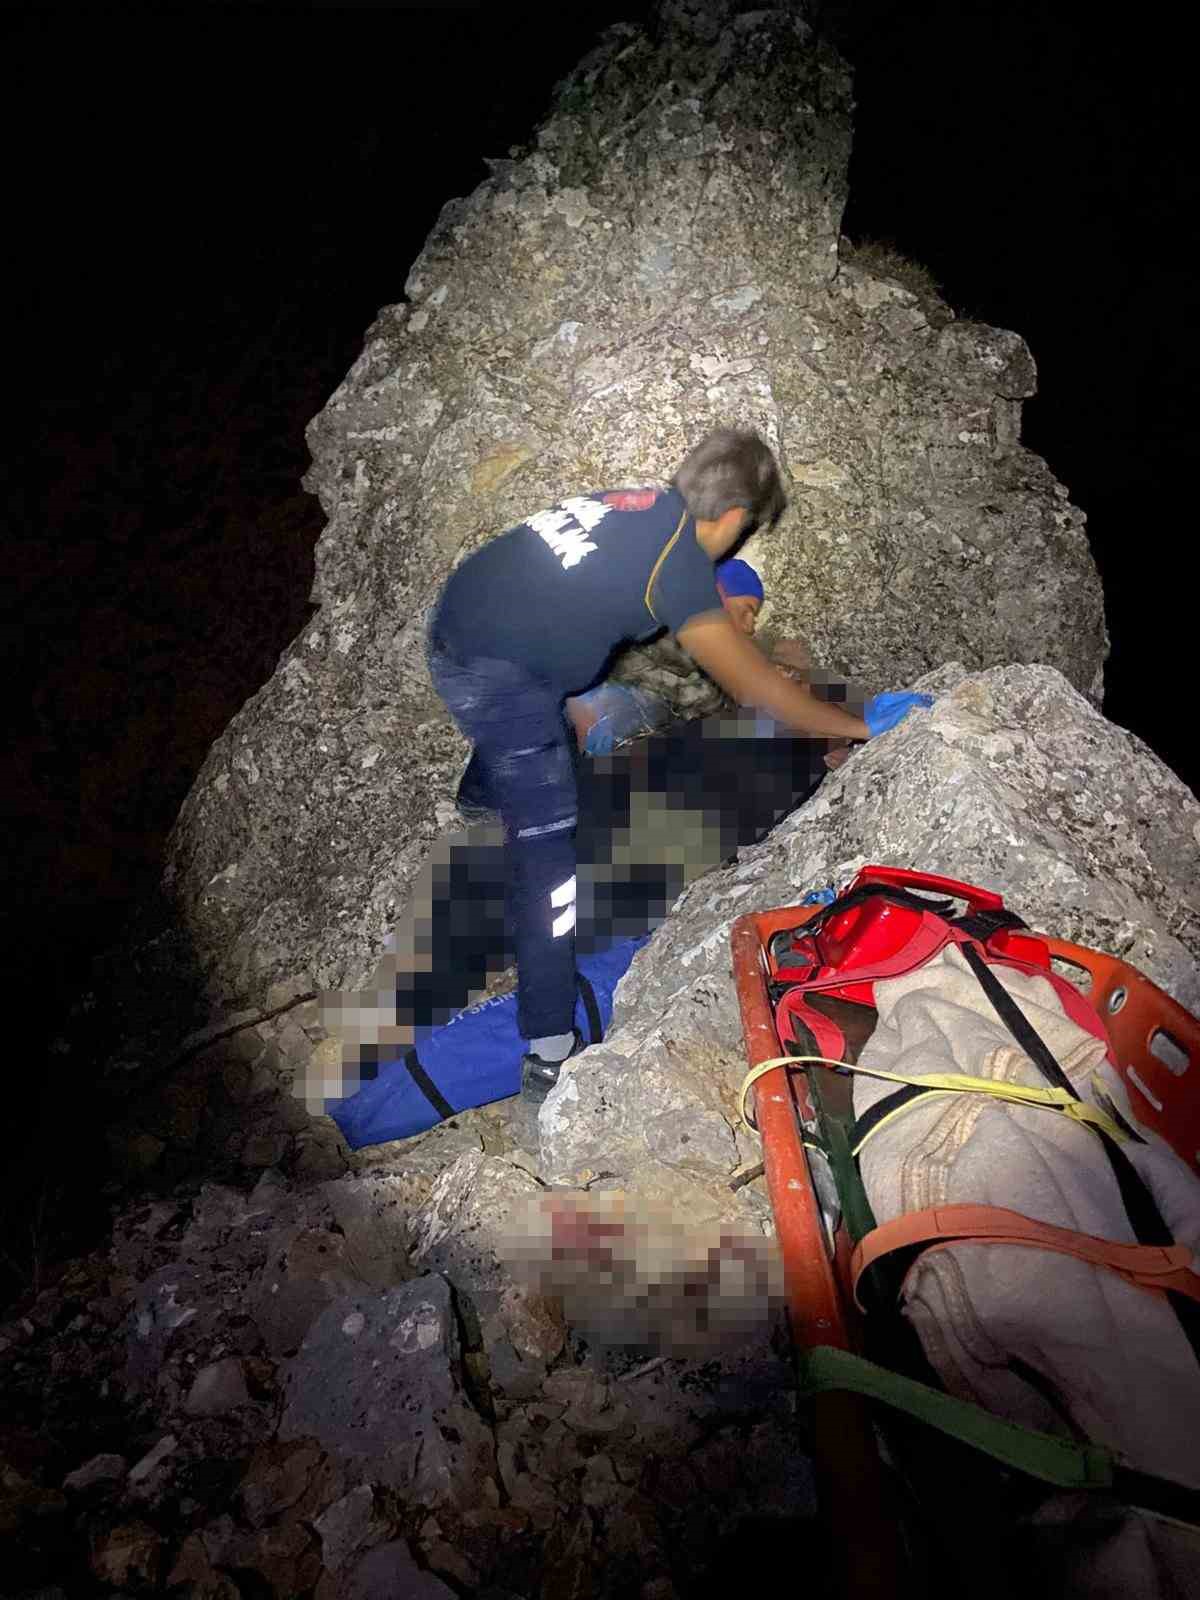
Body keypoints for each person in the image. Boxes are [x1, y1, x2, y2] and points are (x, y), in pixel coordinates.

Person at [426, 428, 931, 1100]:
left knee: (548, 724)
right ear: (732, 516)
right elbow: (756, 689)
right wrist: (860, 725)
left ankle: (483, 793)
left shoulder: (634, 505)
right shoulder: (680, 568)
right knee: (547, 856)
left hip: (464, 622)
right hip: (498, 672)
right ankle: (548, 1048)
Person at [564, 556, 816, 755]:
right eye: (746, 610)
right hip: (592, 715)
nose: (749, 626)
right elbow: (711, 696)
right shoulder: (672, 628)